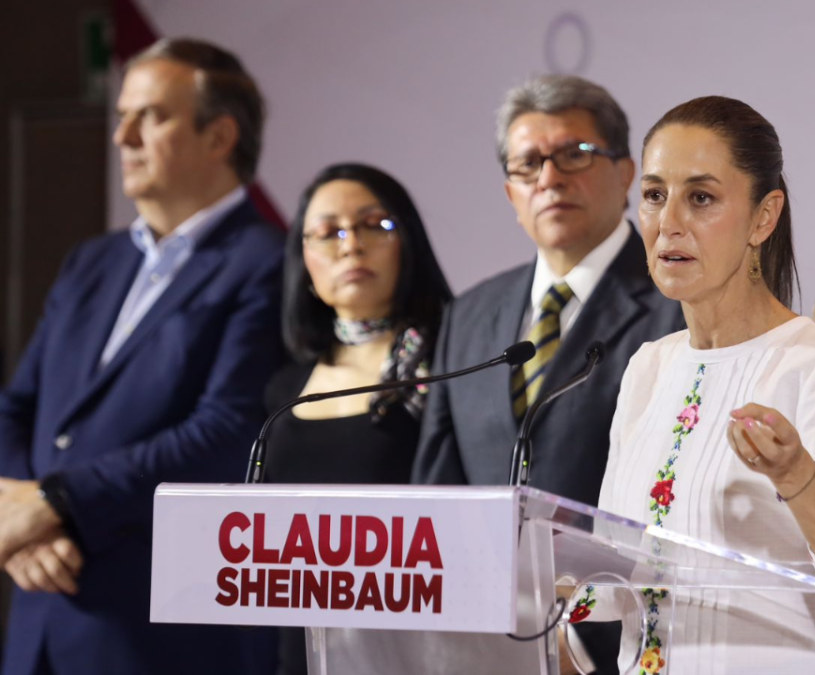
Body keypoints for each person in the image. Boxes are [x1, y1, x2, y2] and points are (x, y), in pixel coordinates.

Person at [591, 96, 815, 675]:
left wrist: (796, 477)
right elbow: (615, 581)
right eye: (655, 195)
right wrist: (531, 583)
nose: (669, 223)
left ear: (764, 217)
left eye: (702, 197)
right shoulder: (648, 367)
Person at [0, 38, 282, 675]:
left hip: (159, 637)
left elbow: (225, 432)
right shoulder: (90, 262)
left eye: (150, 116)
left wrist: (52, 505)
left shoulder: (270, 263)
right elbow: (18, 406)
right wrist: (14, 517)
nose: (121, 135)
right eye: (122, 115)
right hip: (40, 618)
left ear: (219, 137)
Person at [412, 74, 683, 674]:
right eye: (529, 164)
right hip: (485, 649)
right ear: (511, 194)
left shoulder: (679, 304)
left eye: (575, 155)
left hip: (628, 647)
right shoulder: (469, 314)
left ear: (626, 173)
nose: (551, 178)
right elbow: (439, 489)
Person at [265, 163, 452, 675]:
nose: (352, 245)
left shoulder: (450, 364)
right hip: (302, 648)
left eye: (374, 225)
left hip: (419, 646)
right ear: (303, 257)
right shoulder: (282, 390)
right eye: (328, 233)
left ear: (407, 241)